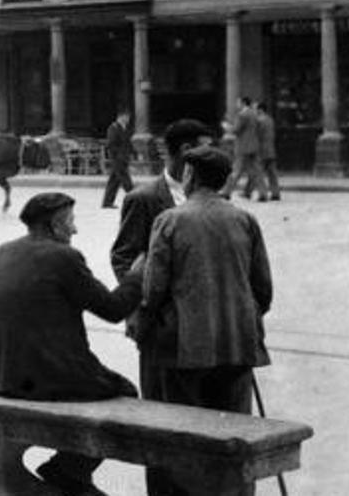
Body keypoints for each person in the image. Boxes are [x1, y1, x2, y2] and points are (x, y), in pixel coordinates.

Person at [0, 192, 145, 496]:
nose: (75, 230)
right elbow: (113, 310)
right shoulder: (65, 258)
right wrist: (137, 275)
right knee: (126, 394)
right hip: (48, 377)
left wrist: (4, 350)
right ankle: (70, 469)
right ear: (55, 225)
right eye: (71, 222)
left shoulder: (1, 252)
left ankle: (70, 472)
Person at [139, 145, 273, 496]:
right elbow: (263, 288)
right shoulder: (245, 219)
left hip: (188, 346)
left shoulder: (170, 220)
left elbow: (153, 289)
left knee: (187, 436)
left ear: (190, 176)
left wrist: (147, 323)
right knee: (235, 434)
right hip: (238, 343)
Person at [108, 118, 218, 495]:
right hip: (162, 330)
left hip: (209, 331)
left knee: (210, 425)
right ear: (179, 154)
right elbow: (123, 259)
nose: (208, 158)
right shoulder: (143, 198)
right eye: (199, 150)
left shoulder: (215, 197)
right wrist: (144, 306)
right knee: (163, 425)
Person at [221, 97, 266, 201]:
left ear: (243, 103)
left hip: (243, 147)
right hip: (254, 146)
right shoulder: (255, 115)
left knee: (236, 171)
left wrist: (227, 127)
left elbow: (236, 130)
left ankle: (227, 192)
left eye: (238, 102)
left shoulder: (242, 115)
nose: (237, 104)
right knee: (257, 171)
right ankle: (263, 193)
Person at [246, 102, 281, 202]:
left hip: (261, 150)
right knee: (272, 173)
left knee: (258, 173)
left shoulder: (258, 121)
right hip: (271, 149)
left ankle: (262, 194)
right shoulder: (270, 120)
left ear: (260, 110)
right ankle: (275, 193)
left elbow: (254, 134)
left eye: (256, 109)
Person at [101, 109, 134, 209]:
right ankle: (135, 198)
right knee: (126, 180)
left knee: (114, 181)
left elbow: (128, 143)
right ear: (121, 117)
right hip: (117, 158)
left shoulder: (126, 128)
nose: (128, 119)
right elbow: (111, 144)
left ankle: (107, 202)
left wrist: (131, 153)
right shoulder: (113, 128)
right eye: (126, 117)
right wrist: (118, 155)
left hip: (124, 157)